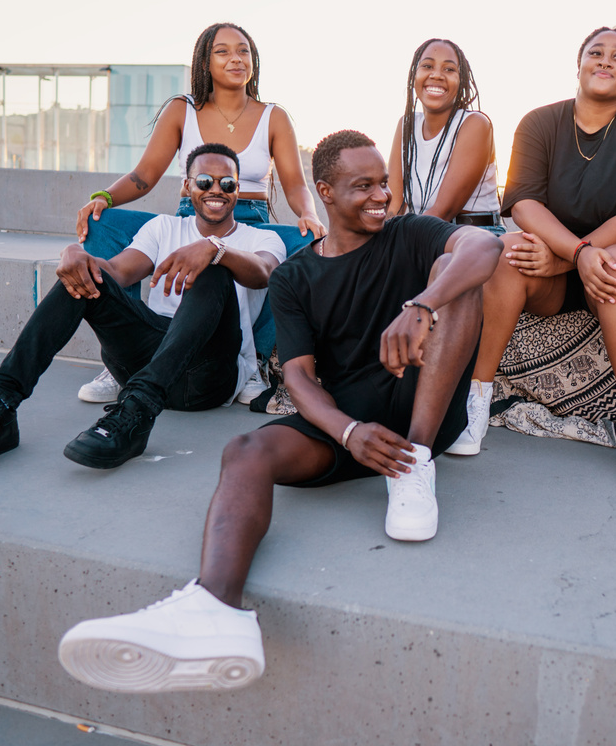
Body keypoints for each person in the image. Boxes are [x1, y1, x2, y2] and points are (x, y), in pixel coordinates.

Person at [57, 130, 502, 693]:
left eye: (383, 184)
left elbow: (486, 248)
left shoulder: (411, 234)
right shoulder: (295, 275)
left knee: (459, 280)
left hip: (421, 407)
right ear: (326, 191)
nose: (380, 196)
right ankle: (215, 606)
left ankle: (413, 466)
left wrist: (422, 304)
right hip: (349, 424)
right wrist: (348, 431)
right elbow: (297, 375)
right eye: (362, 186)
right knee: (246, 449)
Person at [0, 144, 285, 472]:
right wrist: (77, 256)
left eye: (227, 183)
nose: (217, 190)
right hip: (150, 355)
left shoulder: (261, 239)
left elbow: (264, 273)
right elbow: (118, 272)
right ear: (187, 186)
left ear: (237, 190)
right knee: (82, 277)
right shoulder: (164, 227)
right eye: (205, 181)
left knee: (214, 272)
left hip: (210, 374)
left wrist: (215, 250)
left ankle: (136, 412)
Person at [447, 26, 616, 495]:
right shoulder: (539, 121)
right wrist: (573, 254)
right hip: (552, 265)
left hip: (608, 265)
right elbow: (524, 203)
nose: (606, 61)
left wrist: (581, 257)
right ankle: (475, 399)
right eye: (596, 52)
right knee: (508, 249)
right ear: (578, 63)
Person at [74, 22, 325, 404]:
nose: (236, 58)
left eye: (243, 51)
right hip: (188, 218)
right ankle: (122, 356)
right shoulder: (182, 110)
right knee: (100, 224)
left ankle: (253, 358)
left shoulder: (273, 116)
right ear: (205, 62)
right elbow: (145, 175)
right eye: (222, 51)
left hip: (249, 222)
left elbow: (294, 184)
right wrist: (104, 197)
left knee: (309, 247)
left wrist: (309, 215)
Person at [386, 38, 503, 234]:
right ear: (415, 75)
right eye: (427, 66)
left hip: (474, 234)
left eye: (449, 69)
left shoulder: (474, 124)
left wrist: (398, 244)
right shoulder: (406, 124)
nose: (437, 75)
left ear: (461, 80)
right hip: (418, 232)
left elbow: (443, 211)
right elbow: (394, 206)